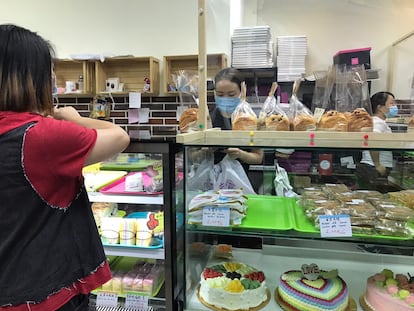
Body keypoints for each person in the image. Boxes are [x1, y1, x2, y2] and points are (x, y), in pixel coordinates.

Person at [0, 24, 130, 310]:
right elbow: (120, 136)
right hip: (48, 294)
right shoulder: (41, 136)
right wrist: (73, 117)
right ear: (30, 77)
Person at [211, 68, 264, 191]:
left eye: (231, 94)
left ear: (242, 91)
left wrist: (240, 154)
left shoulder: (249, 119)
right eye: (220, 94)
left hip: (242, 183)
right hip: (211, 184)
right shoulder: (207, 119)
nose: (225, 98)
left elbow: (258, 157)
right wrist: (205, 151)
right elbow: (192, 155)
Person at [356, 91, 397, 191]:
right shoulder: (377, 122)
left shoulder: (379, 122)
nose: (394, 106)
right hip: (374, 168)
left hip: (373, 167)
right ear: (379, 107)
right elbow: (372, 140)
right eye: (391, 103)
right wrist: (378, 164)